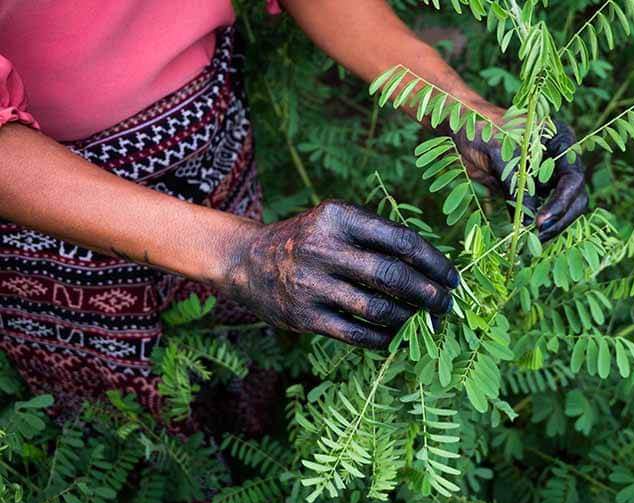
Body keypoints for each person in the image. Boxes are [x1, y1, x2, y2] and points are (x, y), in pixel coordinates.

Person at [0, 0, 587, 420]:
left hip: (208, 129)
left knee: (235, 357)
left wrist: (457, 107)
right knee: (111, 414)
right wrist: (236, 252)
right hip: (43, 200)